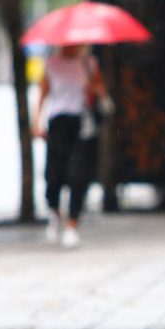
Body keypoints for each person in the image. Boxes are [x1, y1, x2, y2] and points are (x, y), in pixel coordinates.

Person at [32, 45, 106, 249]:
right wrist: (36, 121)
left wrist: (90, 84)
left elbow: (101, 91)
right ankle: (54, 211)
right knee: (54, 173)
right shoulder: (51, 64)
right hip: (57, 122)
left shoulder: (88, 63)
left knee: (78, 174)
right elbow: (43, 94)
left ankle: (73, 223)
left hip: (80, 123)